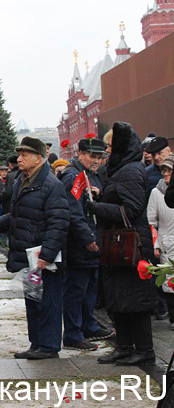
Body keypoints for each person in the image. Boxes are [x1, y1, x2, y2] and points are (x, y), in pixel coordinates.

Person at [0, 136, 69, 359]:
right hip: (28, 257)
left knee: (48, 302)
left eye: (24, 155)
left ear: (38, 158)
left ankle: (49, 346)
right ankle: (37, 343)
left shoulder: (51, 185)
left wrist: (47, 254)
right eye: (20, 155)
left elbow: (59, 222)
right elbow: (18, 214)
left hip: (43, 258)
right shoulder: (22, 181)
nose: (19, 159)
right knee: (34, 301)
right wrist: (0, 222)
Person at [87, 122, 157, 366]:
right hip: (119, 245)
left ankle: (144, 349)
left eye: (109, 145)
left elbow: (132, 209)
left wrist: (98, 208)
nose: (107, 150)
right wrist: (100, 197)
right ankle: (125, 346)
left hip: (131, 245)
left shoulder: (130, 171)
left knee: (135, 300)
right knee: (120, 298)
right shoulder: (121, 169)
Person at [59, 138, 114, 352]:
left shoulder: (90, 175)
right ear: (80, 153)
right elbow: (73, 212)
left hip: (92, 242)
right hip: (79, 244)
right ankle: (73, 333)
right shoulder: (73, 176)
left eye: (100, 157)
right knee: (75, 290)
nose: (96, 161)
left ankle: (88, 325)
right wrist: (87, 238)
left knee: (90, 288)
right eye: (92, 156)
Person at [147, 154, 174, 329]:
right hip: (166, 243)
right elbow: (151, 221)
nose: (165, 173)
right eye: (163, 170)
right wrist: (156, 243)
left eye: (169, 170)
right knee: (170, 284)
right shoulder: (156, 192)